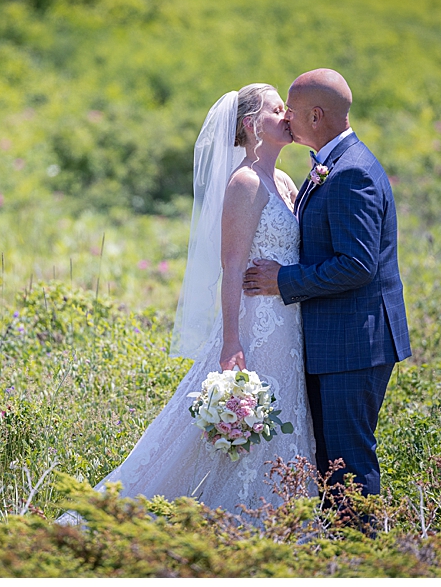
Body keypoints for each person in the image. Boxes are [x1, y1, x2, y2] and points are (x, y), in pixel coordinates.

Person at [85, 84, 318, 515]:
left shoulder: (283, 180)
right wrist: (232, 340)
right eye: (276, 109)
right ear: (252, 125)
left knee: (284, 416)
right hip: (255, 322)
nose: (287, 115)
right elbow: (232, 267)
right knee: (242, 416)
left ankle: (280, 516)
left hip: (289, 321)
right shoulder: (245, 183)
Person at [244, 69, 411, 498]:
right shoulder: (331, 164)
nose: (286, 120)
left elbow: (357, 265)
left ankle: (360, 556)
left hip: (353, 344)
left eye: (292, 111)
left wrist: (284, 280)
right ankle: (340, 550)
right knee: (330, 462)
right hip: (338, 341)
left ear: (316, 116)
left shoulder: (350, 172)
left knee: (348, 461)